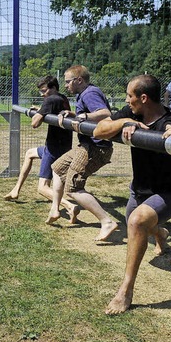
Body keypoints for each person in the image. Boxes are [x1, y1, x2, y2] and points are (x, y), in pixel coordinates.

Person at [93, 74, 171, 315]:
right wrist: (123, 123)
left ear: (143, 98)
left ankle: (125, 291)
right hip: (138, 193)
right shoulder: (131, 113)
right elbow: (100, 131)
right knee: (139, 222)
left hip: (169, 195)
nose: (126, 100)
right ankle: (161, 233)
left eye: (129, 96)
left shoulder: (169, 122)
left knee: (137, 221)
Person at [45, 65, 118, 241]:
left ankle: (106, 221)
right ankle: (55, 209)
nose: (66, 86)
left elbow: (105, 114)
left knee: (74, 188)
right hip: (85, 145)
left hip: (96, 147)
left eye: (68, 82)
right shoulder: (83, 94)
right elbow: (89, 113)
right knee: (57, 168)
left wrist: (84, 117)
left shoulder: (89, 93)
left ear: (79, 80)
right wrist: (73, 113)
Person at [3, 76, 80, 223]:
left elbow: (35, 123)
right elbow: (53, 112)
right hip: (62, 145)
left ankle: (69, 206)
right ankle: (15, 191)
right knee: (30, 153)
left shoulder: (50, 100)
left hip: (53, 148)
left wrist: (39, 113)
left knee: (43, 188)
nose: (42, 94)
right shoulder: (62, 98)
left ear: (53, 88)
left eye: (44, 91)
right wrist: (42, 110)